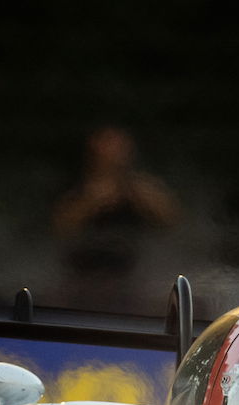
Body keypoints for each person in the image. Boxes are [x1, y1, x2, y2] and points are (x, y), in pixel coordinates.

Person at [52, 126, 181, 311]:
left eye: (120, 146)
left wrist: (143, 196)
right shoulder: (74, 188)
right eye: (108, 145)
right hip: (80, 280)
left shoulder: (141, 189)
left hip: (132, 279)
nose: (115, 153)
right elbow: (60, 230)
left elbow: (172, 222)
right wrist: (92, 201)